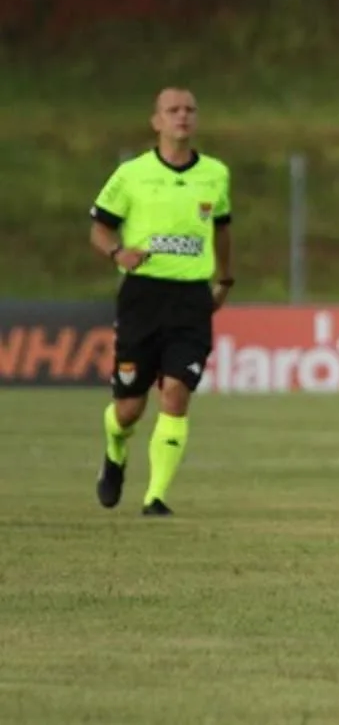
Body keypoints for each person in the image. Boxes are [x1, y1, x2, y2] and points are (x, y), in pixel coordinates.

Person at [89, 88, 234, 516]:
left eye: (190, 109)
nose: (183, 117)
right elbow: (99, 228)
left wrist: (225, 278)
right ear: (156, 121)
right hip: (143, 297)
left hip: (191, 298)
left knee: (176, 393)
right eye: (173, 110)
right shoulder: (131, 174)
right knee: (129, 409)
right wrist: (118, 253)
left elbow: (223, 229)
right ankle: (115, 450)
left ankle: (156, 497)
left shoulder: (215, 174)